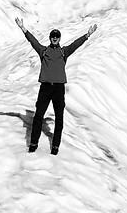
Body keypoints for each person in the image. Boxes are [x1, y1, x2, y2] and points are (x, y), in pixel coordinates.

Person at [15, 17, 97, 154]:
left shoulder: (63, 52)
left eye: (57, 36)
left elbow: (75, 44)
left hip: (58, 89)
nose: (54, 38)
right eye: (53, 36)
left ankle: (55, 147)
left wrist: (87, 35)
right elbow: (33, 41)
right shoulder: (43, 51)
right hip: (45, 87)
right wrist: (23, 28)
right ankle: (33, 144)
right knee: (38, 116)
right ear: (50, 38)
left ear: (59, 38)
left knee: (59, 118)